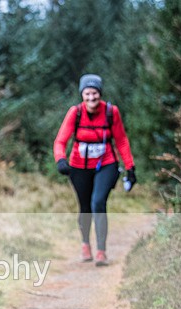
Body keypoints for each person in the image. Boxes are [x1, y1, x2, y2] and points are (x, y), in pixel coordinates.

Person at [54, 74, 137, 266]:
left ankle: (101, 250)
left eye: (95, 94)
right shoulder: (75, 113)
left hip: (106, 164)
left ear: (100, 94)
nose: (92, 98)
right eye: (87, 94)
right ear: (82, 95)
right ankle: (85, 244)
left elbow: (122, 140)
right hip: (79, 167)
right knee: (85, 207)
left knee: (98, 202)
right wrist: (61, 160)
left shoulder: (111, 112)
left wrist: (130, 167)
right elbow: (60, 141)